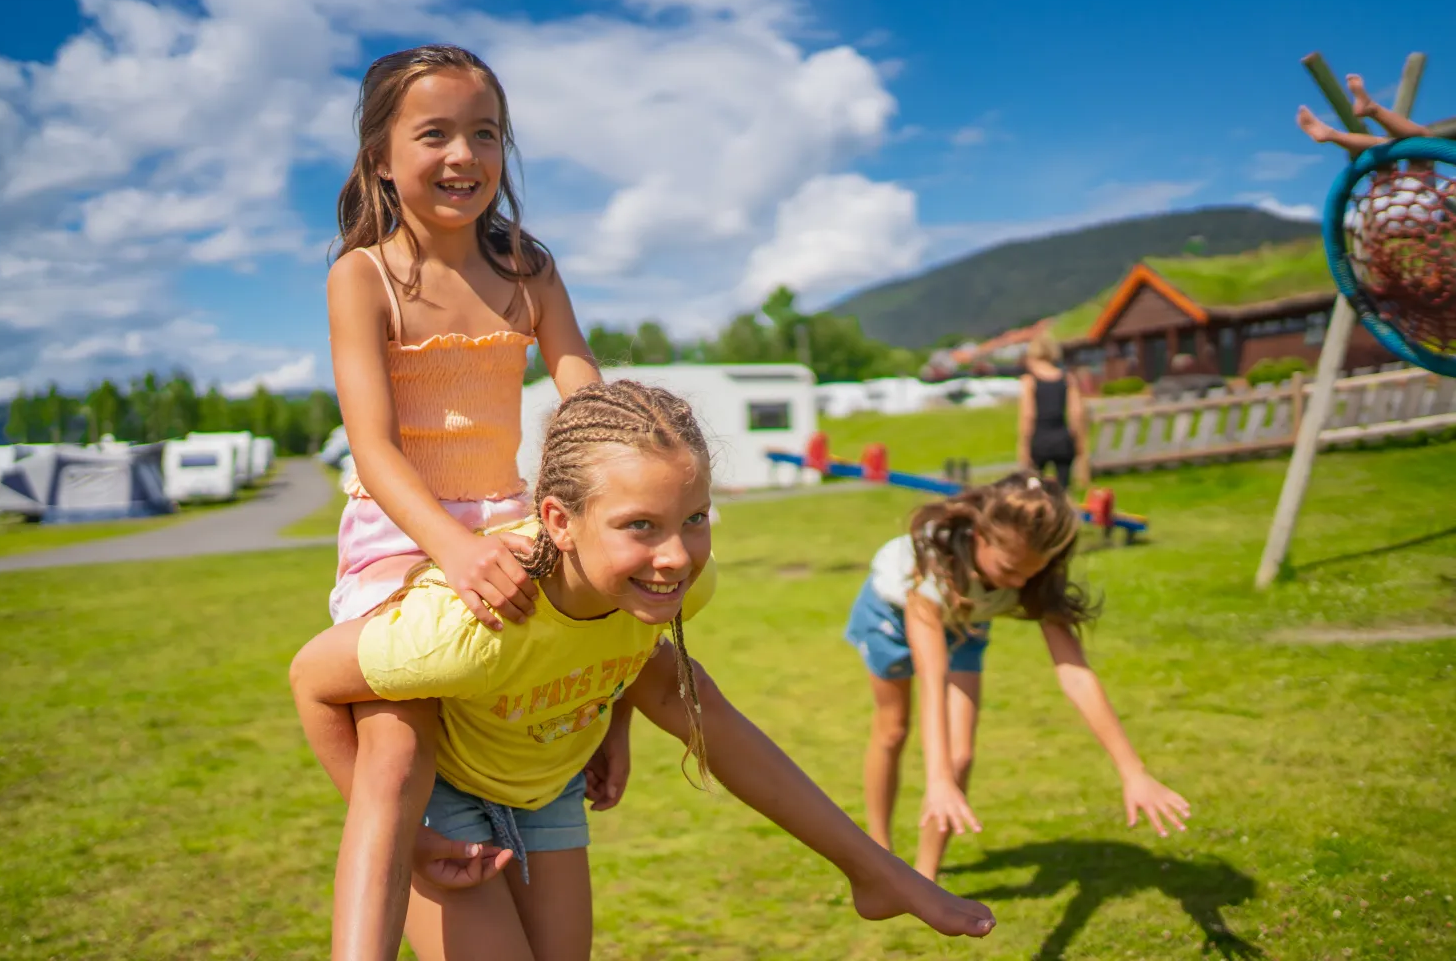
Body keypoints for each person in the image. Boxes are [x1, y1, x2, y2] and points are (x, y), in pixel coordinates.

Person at [291, 381, 998, 960]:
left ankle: (871, 872)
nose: (676, 556)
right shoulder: (469, 626)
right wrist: (408, 834)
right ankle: (874, 872)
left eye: (694, 518)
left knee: (693, 694)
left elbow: (643, 673)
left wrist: (614, 724)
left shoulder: (677, 586)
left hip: (547, 784)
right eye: (641, 526)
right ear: (557, 522)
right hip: (444, 800)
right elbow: (312, 680)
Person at [324, 44, 604, 955]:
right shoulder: (363, 277)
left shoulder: (527, 268)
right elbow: (373, 446)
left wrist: (623, 470)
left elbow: (586, 399)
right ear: (379, 157)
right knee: (398, 742)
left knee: (628, 614)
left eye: (484, 134)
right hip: (401, 537)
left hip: (510, 524)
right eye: (434, 133)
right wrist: (449, 546)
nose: (463, 156)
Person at [843, 473, 1190, 881]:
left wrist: (1132, 771)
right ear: (979, 537)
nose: (1019, 583)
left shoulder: (1034, 574)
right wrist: (935, 779)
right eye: (1009, 570)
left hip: (968, 621)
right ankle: (878, 853)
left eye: (1031, 573)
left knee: (961, 757)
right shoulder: (931, 568)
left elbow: (1076, 675)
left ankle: (924, 879)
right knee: (893, 730)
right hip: (894, 616)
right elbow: (932, 680)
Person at [1297, 73, 1436, 154]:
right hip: (1414, 197)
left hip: (1387, 198)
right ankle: (1332, 134)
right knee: (1419, 141)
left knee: (1418, 141)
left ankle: (1334, 134)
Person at [1016, 334, 1087, 491]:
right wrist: (1079, 443)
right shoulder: (1067, 378)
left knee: (1033, 491)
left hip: (1039, 441)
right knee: (1064, 490)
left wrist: (1024, 446)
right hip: (1062, 439)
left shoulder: (1029, 381)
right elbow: (1076, 413)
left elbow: (1028, 415)